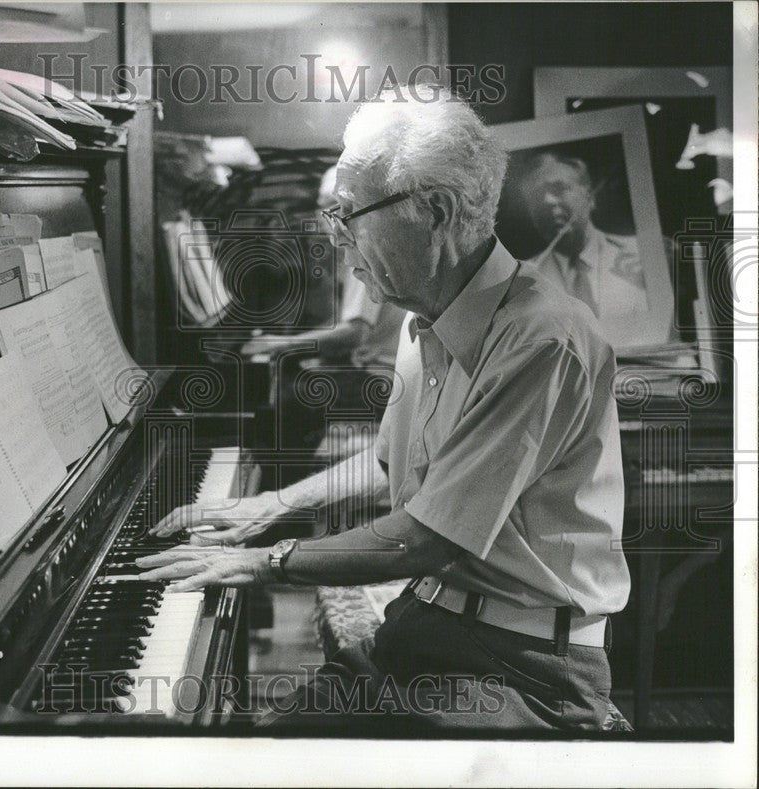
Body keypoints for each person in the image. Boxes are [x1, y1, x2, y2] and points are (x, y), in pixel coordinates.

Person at [137, 88, 630, 732]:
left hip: (522, 667)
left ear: (436, 212)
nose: (335, 239)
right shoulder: (422, 316)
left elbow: (427, 538)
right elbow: (392, 467)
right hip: (428, 625)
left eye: (347, 215)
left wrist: (267, 559)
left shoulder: (543, 340)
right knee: (254, 743)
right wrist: (270, 506)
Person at [239, 165, 396, 363]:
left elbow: (355, 333)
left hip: (379, 372)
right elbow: (346, 322)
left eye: (335, 207)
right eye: (322, 208)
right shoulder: (356, 250)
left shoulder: (364, 251)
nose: (324, 217)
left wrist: (283, 343)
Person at [519, 151, 649, 348]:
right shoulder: (522, 281)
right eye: (536, 196)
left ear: (589, 196)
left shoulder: (644, 254)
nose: (547, 201)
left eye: (558, 188)